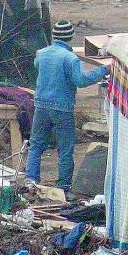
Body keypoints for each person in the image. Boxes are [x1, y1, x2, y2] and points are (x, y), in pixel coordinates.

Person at [26, 20, 108, 201]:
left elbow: (37, 66)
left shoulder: (41, 54)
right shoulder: (70, 58)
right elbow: (81, 80)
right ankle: (63, 186)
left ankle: (31, 181)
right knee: (65, 148)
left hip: (41, 104)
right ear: (70, 37)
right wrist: (103, 70)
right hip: (62, 108)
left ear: (54, 36)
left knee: (36, 145)